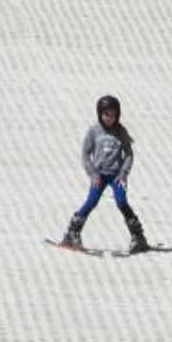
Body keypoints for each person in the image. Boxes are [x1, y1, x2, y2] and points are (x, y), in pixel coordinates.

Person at [57, 94, 149, 254]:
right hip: (99, 175)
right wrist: (93, 173)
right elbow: (86, 153)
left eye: (112, 115)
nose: (109, 118)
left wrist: (124, 173)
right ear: (99, 114)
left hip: (116, 176)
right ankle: (72, 233)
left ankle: (138, 237)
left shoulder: (121, 132)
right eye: (106, 114)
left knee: (121, 202)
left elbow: (128, 154)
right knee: (91, 202)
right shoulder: (94, 132)